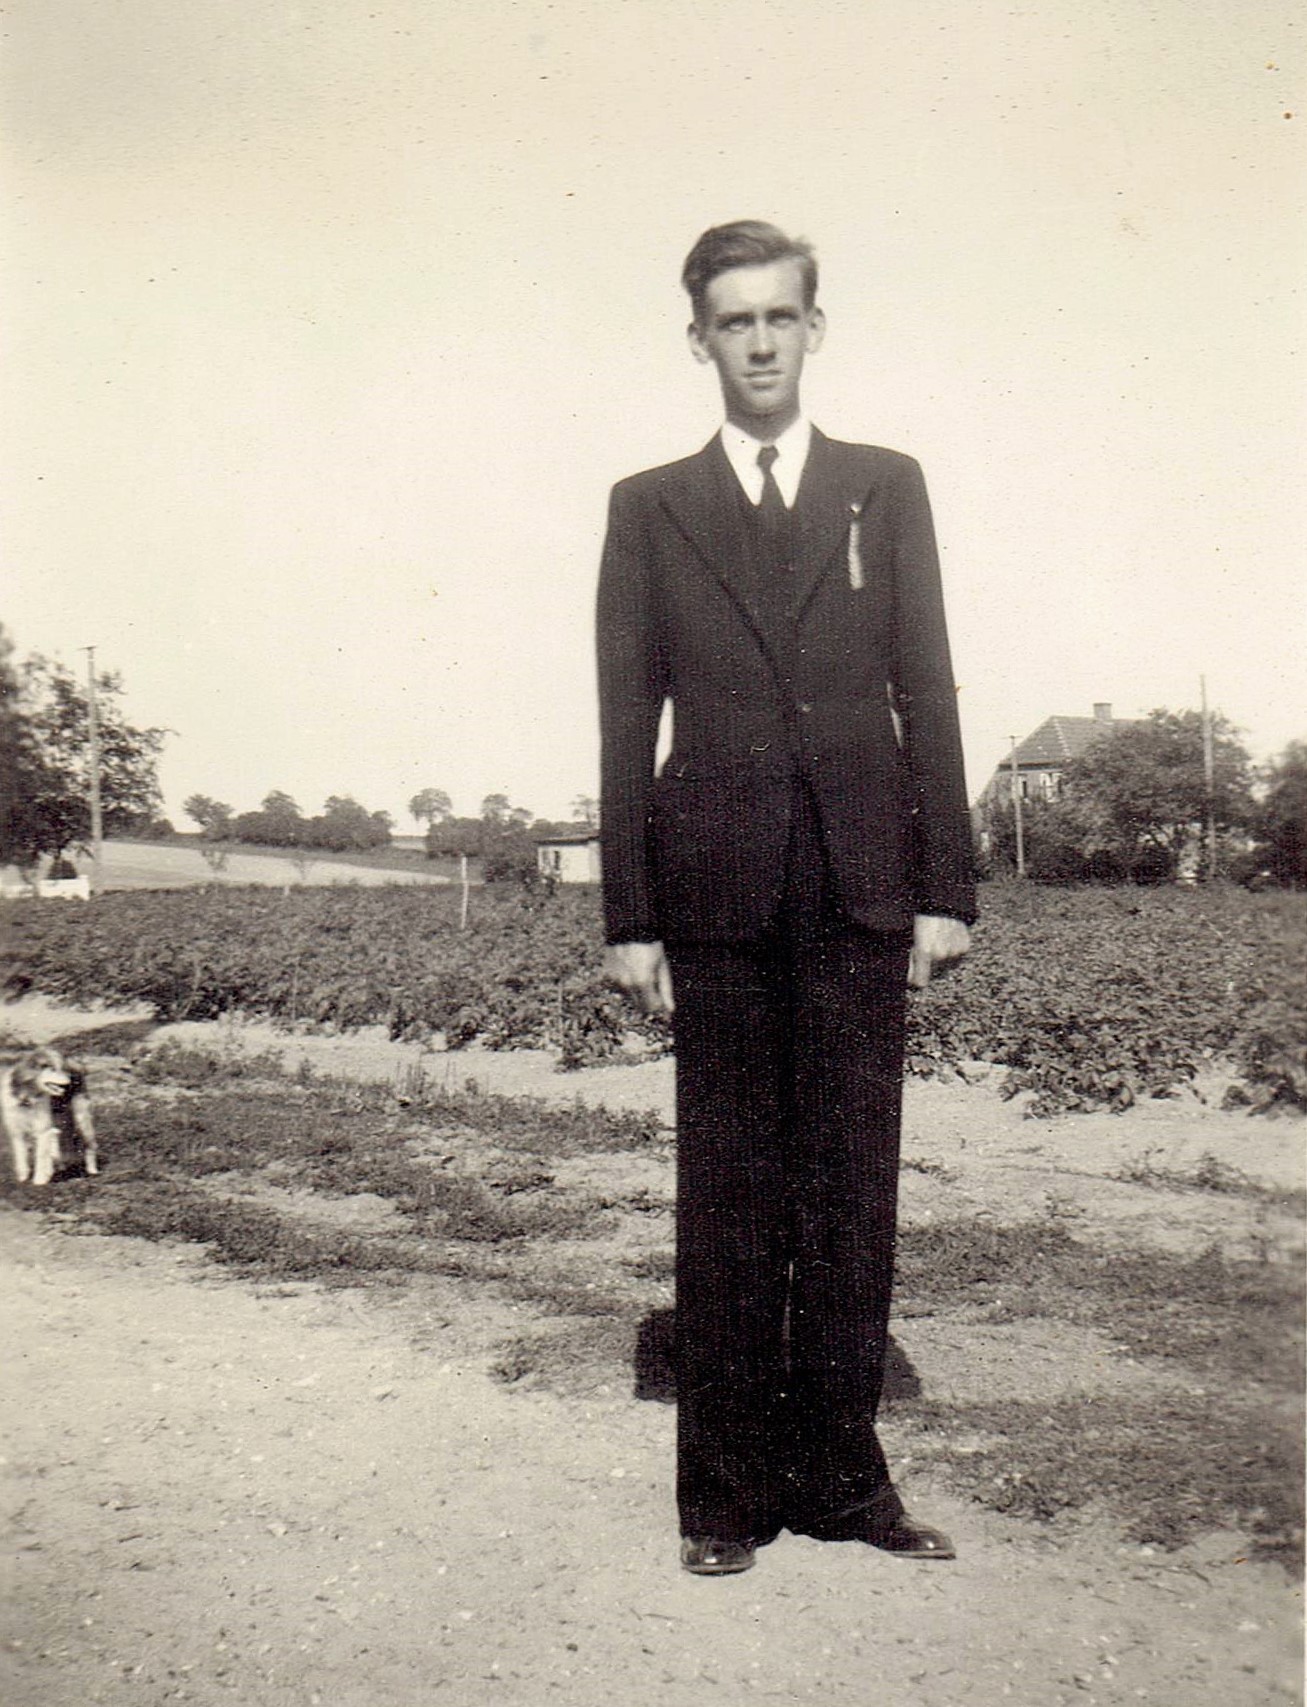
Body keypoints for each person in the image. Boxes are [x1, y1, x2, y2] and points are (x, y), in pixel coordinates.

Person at [596, 221, 975, 1576]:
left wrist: (946, 886)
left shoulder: (886, 486)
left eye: (778, 317)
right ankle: (723, 1497)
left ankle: (844, 1484)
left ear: (815, 328)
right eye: (733, 321)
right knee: (731, 1195)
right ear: (698, 339)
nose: (758, 343)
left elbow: (927, 685)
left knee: (852, 1193)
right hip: (717, 891)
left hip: (860, 885)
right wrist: (630, 915)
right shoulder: (651, 504)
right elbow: (625, 715)